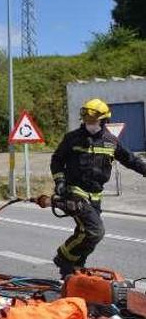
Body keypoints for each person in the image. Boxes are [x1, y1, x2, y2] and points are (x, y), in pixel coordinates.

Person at [51, 98, 146, 277]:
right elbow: (56, 160)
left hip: (95, 196)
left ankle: (73, 270)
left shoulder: (111, 141)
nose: (89, 122)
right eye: (86, 119)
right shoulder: (72, 138)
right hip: (75, 192)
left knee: (85, 234)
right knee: (95, 231)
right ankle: (63, 257)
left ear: (103, 119)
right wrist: (60, 182)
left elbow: (131, 160)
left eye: (93, 119)